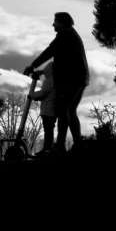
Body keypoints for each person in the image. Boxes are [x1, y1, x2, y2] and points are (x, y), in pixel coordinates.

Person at [24, 12, 90, 153]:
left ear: (62, 22)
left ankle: (60, 146)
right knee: (71, 110)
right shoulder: (72, 34)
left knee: (62, 110)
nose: (53, 24)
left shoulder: (65, 34)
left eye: (55, 21)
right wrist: (42, 71)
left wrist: (33, 65)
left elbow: (50, 51)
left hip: (71, 79)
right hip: (81, 78)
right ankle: (78, 144)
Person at [28, 61, 57, 156]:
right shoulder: (56, 80)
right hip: (53, 109)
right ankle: (48, 147)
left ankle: (47, 148)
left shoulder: (48, 81)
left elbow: (43, 93)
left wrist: (32, 95)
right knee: (49, 129)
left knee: (48, 130)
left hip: (48, 110)